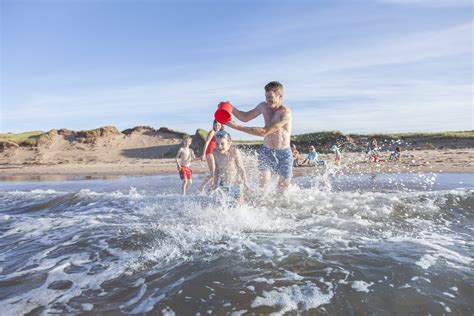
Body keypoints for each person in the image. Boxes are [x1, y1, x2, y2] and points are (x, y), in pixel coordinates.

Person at [225, 81, 292, 192]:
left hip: (283, 153)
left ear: (280, 96)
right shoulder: (263, 106)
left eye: (270, 97)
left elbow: (264, 132)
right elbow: (245, 117)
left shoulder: (285, 113)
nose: (267, 100)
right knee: (264, 186)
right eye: (266, 97)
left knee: (282, 189)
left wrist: (235, 126)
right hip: (266, 151)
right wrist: (231, 108)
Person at [212, 130, 249, 204]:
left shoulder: (234, 152)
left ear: (229, 143)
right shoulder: (215, 152)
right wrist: (215, 183)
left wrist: (245, 183)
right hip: (223, 184)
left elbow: (241, 168)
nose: (219, 146)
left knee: (239, 205)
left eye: (222, 144)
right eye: (217, 144)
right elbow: (216, 169)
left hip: (236, 184)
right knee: (222, 206)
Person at [199, 120, 224, 192]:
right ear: (213, 125)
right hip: (209, 152)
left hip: (216, 153)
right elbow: (206, 142)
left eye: (219, 125)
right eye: (215, 125)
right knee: (213, 172)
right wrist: (203, 154)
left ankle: (212, 188)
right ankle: (202, 186)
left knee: (216, 172)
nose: (217, 126)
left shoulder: (220, 134)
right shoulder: (212, 132)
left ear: (221, 125)